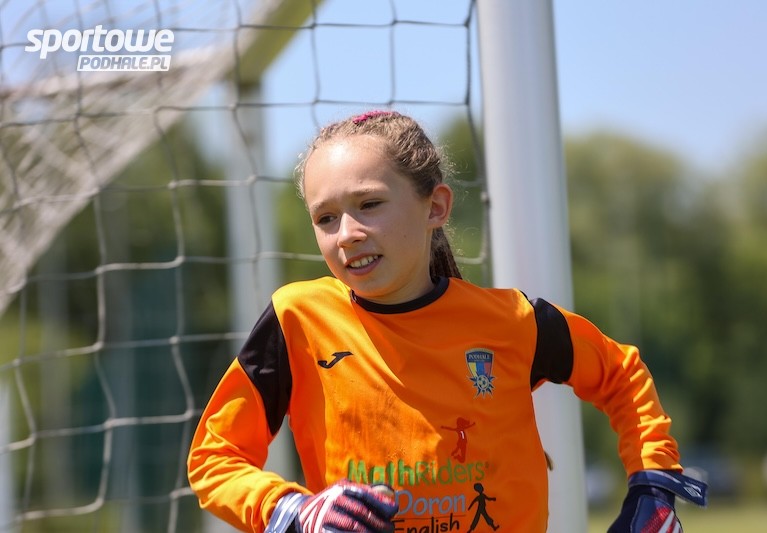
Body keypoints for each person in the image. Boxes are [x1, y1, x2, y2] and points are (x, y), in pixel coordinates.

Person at [187, 110, 707, 532]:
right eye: (326, 218)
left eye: (369, 204)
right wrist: (293, 510)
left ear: (435, 207)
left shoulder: (512, 322)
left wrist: (655, 484)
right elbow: (215, 458)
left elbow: (621, 374)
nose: (346, 233)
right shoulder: (297, 320)